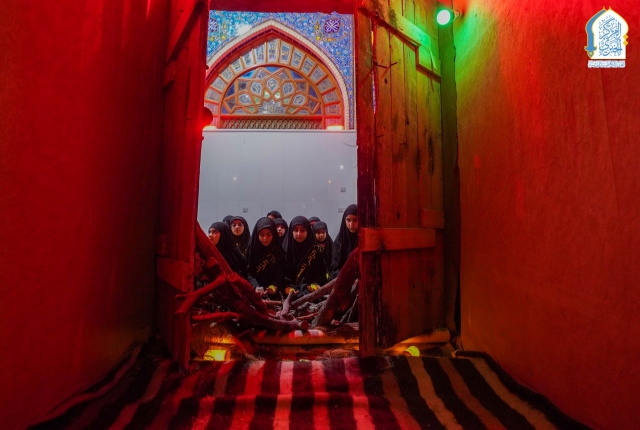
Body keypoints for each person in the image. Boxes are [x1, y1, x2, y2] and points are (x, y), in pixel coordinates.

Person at [283, 216, 327, 297]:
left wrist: (315, 284)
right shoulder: (285, 251)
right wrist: (288, 286)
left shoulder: (315, 251)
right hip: (289, 295)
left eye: (302, 230)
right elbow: (283, 276)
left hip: (311, 294)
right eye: (295, 230)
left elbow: (320, 274)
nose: (299, 234)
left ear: (308, 231)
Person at [246, 217, 286, 297]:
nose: (265, 238)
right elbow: (248, 272)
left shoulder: (278, 251)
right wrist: (256, 286)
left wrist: (274, 285)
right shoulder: (252, 250)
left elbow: (280, 273)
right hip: (255, 293)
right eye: (261, 235)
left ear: (273, 234)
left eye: (269, 235)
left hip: (276, 294)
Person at [329, 204, 358, 280]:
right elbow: (333, 269)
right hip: (342, 280)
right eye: (348, 220)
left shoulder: (365, 240)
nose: (351, 224)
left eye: (355, 220)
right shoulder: (339, 242)